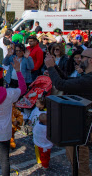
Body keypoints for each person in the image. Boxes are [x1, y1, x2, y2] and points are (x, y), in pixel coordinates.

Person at [44, 48, 92, 176]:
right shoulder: (86, 77)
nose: (80, 59)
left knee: (80, 165)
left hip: (82, 131)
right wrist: (54, 66)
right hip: (78, 128)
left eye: (83, 57)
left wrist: (50, 68)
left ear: (91, 60)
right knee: (74, 161)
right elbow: (65, 80)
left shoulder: (88, 80)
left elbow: (61, 85)